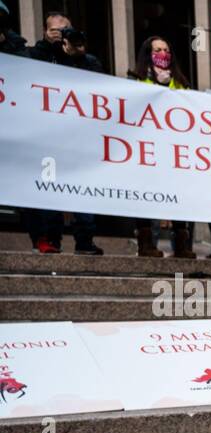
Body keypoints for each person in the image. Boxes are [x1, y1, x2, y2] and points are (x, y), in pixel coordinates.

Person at [26, 15, 104, 255]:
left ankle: (84, 240)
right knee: (50, 189)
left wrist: (77, 55)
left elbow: (100, 86)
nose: (62, 36)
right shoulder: (39, 54)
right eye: (56, 31)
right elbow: (26, 71)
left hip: (79, 138)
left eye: (66, 31)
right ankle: (51, 239)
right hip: (47, 137)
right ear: (46, 32)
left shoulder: (85, 61)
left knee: (82, 188)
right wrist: (46, 46)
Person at [128, 37, 194, 259]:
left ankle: (182, 245)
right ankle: (146, 245)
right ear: (148, 53)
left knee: (179, 195)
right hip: (146, 148)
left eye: (166, 49)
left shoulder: (182, 82)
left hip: (174, 149)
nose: (163, 53)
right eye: (157, 50)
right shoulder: (135, 79)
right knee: (145, 195)